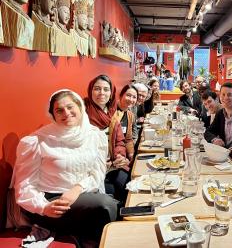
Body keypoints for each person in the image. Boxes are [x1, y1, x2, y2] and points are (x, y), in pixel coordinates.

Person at [11, 90, 118, 244]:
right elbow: (24, 187)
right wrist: (44, 207)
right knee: (106, 206)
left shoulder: (95, 136)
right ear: (52, 115)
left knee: (113, 200)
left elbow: (97, 174)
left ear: (80, 108)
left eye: (70, 107)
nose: (66, 113)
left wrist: (77, 189)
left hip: (81, 194)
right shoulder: (37, 141)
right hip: (50, 203)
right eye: (59, 110)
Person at [85, 75, 130, 203]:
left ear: (111, 93)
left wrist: (120, 156)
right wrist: (100, 163)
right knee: (112, 193)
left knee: (126, 182)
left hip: (112, 164)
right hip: (91, 168)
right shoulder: (83, 112)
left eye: (106, 89)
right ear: (90, 91)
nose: (102, 93)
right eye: (97, 89)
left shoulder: (112, 111)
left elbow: (120, 140)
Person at [114, 84, 139, 160]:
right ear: (121, 95)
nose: (131, 100)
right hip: (112, 154)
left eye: (134, 97)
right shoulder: (112, 111)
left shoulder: (130, 115)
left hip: (122, 154)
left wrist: (131, 156)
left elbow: (128, 139)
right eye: (128, 95)